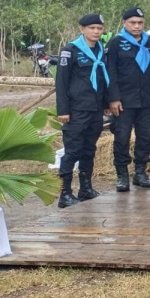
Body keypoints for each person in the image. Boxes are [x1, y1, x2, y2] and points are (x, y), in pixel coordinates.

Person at [106, 8, 150, 192]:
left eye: (140, 23)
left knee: (146, 136)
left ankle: (140, 172)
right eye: (132, 23)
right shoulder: (116, 43)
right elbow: (110, 72)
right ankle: (122, 175)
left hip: (148, 99)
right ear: (124, 23)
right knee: (122, 137)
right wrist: (113, 98)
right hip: (124, 101)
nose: (136, 26)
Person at [55, 14, 110, 208]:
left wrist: (106, 103)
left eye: (99, 28)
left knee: (89, 149)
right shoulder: (70, 50)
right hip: (76, 109)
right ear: (82, 29)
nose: (96, 31)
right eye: (92, 28)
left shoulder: (101, 50)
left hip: (95, 109)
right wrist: (63, 110)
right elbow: (61, 82)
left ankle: (85, 188)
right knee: (72, 151)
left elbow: (102, 79)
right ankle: (65, 193)